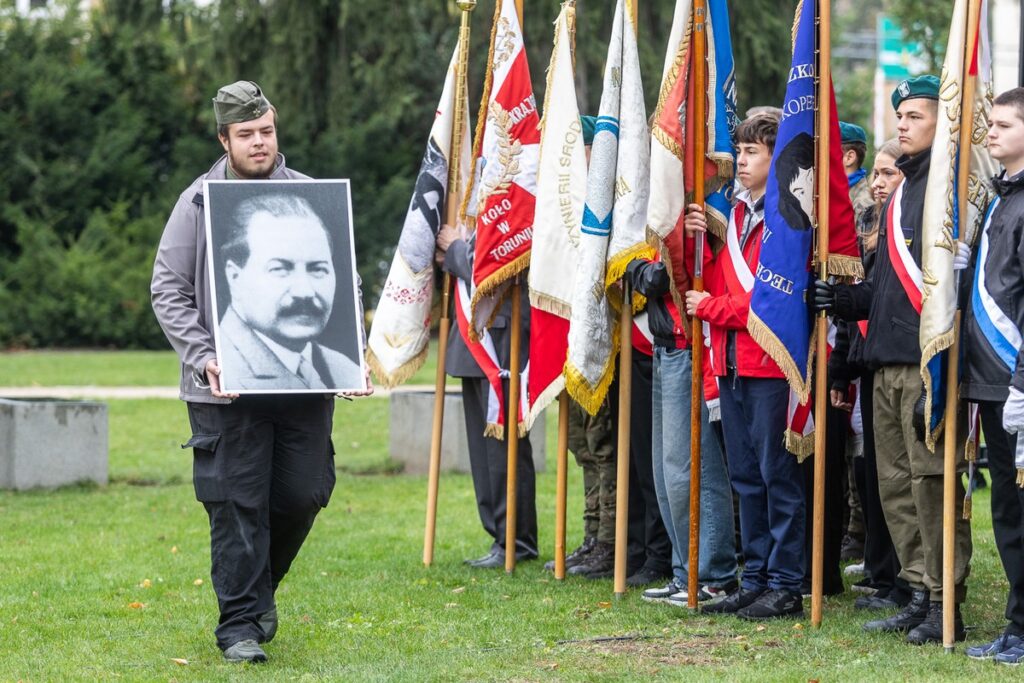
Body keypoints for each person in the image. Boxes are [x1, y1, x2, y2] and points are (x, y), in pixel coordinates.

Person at [151, 81, 371, 663]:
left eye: (266, 131)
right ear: (224, 140)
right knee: (237, 502)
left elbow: (344, 285)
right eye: (246, 134)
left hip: (304, 388)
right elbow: (168, 289)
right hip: (226, 390)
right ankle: (240, 626)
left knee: (303, 493)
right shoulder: (197, 202)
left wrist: (355, 352)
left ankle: (256, 593)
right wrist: (204, 356)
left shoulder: (311, 198)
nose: (259, 143)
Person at [814, 76, 972, 645]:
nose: (902, 124)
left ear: (943, 122)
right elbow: (886, 287)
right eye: (899, 115)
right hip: (883, 362)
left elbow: (948, 289)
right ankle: (915, 588)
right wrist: (844, 299)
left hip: (922, 361)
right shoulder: (904, 188)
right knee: (895, 486)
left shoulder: (947, 191)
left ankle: (943, 595)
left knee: (931, 483)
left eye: (915, 115)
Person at [684, 113, 806, 620]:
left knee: (778, 477)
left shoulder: (786, 218)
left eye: (752, 152)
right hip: (731, 361)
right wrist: (703, 235)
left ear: (775, 158)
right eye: (740, 150)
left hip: (769, 364)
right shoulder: (734, 216)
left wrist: (708, 307)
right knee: (746, 479)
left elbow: (765, 301)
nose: (741, 160)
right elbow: (716, 279)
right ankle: (754, 576)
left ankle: (786, 582)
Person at [828, 138, 912, 611]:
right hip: (867, 364)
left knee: (897, 478)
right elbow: (855, 317)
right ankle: (885, 572)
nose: (878, 183)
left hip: (897, 363)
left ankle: (902, 577)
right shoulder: (869, 226)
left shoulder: (903, 232)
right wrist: (841, 374)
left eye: (889, 174)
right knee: (876, 476)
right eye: (877, 174)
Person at [626, 252, 737, 605]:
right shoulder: (667, 215)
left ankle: (713, 574)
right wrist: (640, 271)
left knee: (694, 467)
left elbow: (665, 276)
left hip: (689, 344)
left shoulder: (699, 209)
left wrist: (645, 272)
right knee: (666, 473)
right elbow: (638, 271)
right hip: (664, 344)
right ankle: (684, 570)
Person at [962, 87, 1024, 664]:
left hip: (1015, 381)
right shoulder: (1000, 198)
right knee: (1005, 508)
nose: (991, 133)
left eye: (1004, 125)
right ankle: (1016, 624)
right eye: (991, 125)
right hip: (987, 379)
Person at [435, 226, 538, 569]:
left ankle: (515, 540)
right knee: (484, 454)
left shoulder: (519, 187)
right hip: (480, 338)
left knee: (502, 451)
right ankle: (502, 536)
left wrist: (454, 250)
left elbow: (492, 265)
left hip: (500, 339)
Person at [217, 193, 363, 391]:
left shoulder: (346, 371)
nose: (304, 291)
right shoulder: (222, 367)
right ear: (234, 278)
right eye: (279, 269)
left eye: (317, 269)